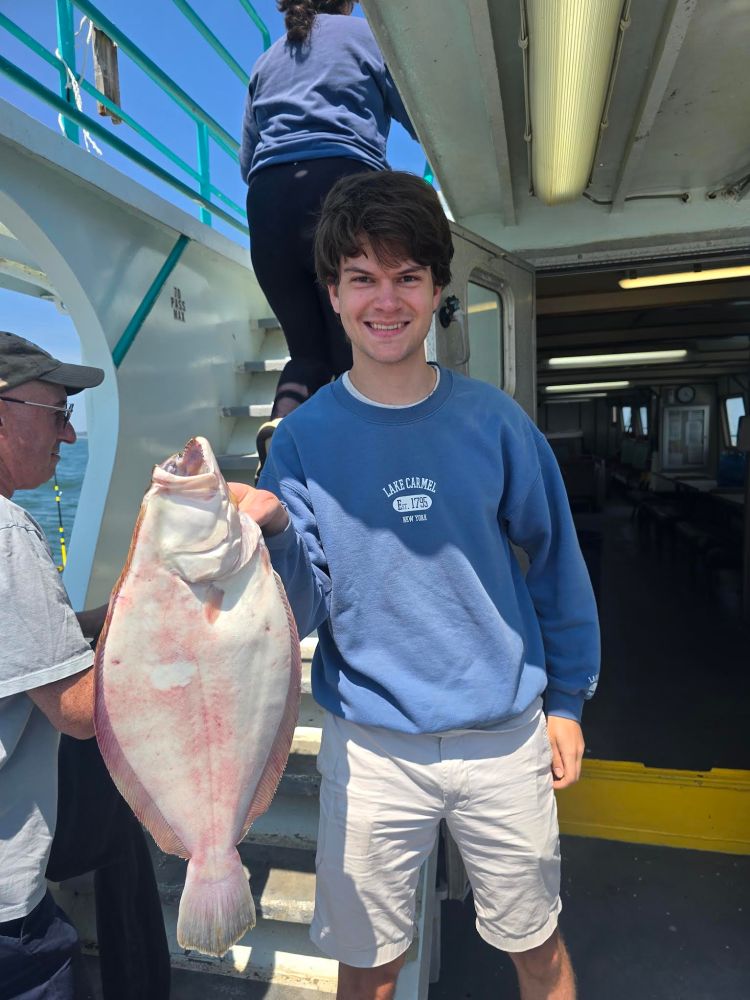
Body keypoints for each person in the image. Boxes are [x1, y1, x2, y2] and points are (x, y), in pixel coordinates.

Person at [233, 170, 600, 1000]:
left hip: (504, 736)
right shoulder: (300, 443)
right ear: (332, 294)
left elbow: (555, 562)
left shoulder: (497, 422)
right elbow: (302, 603)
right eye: (361, 277)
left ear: (438, 289)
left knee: (536, 948)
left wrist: (569, 701)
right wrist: (277, 527)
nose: (385, 299)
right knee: (368, 971)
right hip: (370, 747)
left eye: (406, 276)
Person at [239, 0, 417, 471]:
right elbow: (423, 120)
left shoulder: (265, 61)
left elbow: (245, 163)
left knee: (307, 354)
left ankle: (282, 440)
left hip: (268, 201)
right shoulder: (365, 38)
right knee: (356, 352)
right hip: (342, 189)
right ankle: (366, 472)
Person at [0, 332, 106, 999]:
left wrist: (113, 616)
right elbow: (78, 712)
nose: (69, 436)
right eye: (58, 413)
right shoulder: (9, 533)